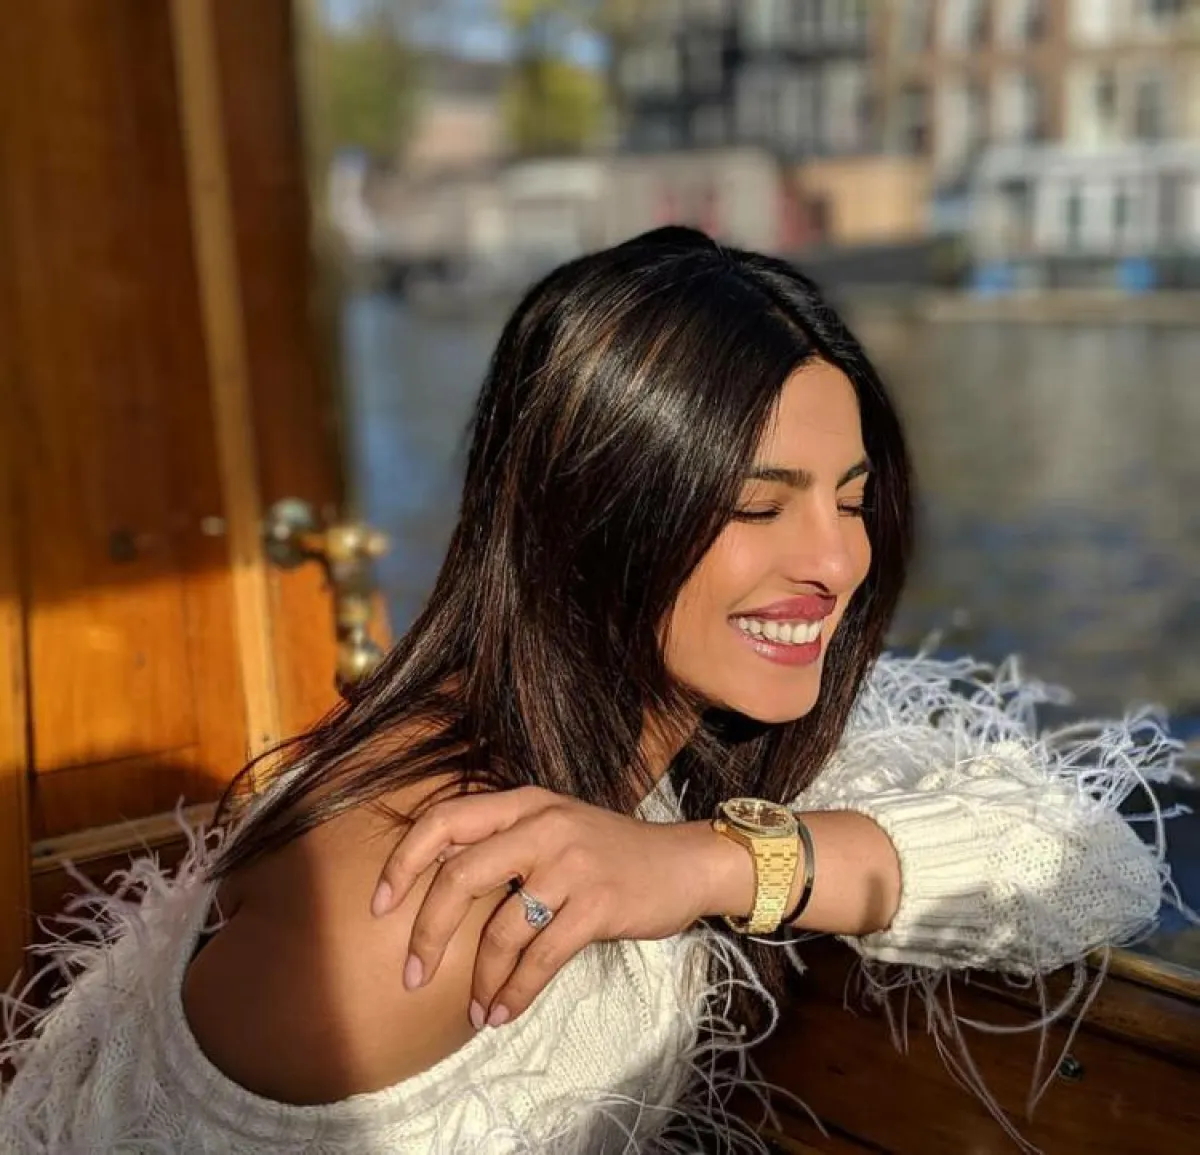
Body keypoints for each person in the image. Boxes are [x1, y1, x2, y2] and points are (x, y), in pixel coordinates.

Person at [0, 228, 1185, 1154]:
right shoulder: (406, 906)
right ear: (589, 517)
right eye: (757, 506)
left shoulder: (683, 735)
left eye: (853, 496)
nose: (837, 561)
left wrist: (710, 865)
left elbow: (1093, 866)